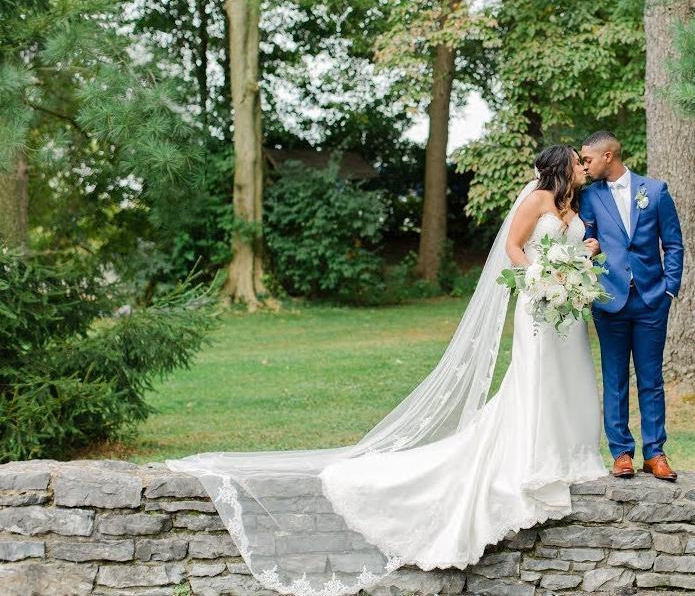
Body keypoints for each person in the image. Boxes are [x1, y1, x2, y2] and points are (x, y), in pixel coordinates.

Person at [165, 144, 610, 595]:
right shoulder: (536, 199)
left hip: (567, 310)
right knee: (539, 381)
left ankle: (572, 453)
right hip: (539, 306)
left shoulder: (573, 205)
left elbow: (567, 250)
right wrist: (541, 279)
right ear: (561, 166)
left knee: (571, 378)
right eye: (577, 161)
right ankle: (537, 460)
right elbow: (514, 247)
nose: (583, 166)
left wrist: (582, 254)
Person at [579, 130, 685, 482]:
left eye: (588, 159)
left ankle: (655, 454)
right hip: (609, 301)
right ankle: (621, 452)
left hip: (652, 300)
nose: (584, 165)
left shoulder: (655, 191)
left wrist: (669, 289)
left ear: (608, 156)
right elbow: (584, 241)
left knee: (651, 379)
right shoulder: (589, 196)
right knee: (614, 378)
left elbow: (673, 244)